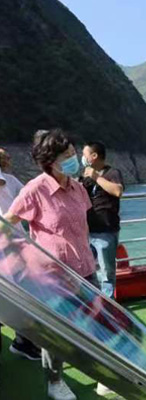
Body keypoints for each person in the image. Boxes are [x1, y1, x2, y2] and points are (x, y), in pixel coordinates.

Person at [4, 129, 99, 400]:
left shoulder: (78, 188)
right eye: (66, 155)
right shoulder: (35, 190)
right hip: (53, 275)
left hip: (86, 270)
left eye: (73, 153)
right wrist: (16, 256)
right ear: (50, 160)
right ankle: (55, 382)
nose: (73, 159)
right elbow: (9, 221)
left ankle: (102, 374)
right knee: (56, 334)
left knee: (94, 327)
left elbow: (82, 225)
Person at [0, 148, 43, 361]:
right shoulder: (6, 180)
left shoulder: (11, 181)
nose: (9, 160)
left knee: (22, 295)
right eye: (5, 157)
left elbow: (29, 198)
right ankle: (23, 341)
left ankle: (23, 341)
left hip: (16, 245)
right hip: (6, 247)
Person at [80, 141, 124, 299]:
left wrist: (96, 177)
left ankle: (108, 305)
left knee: (107, 273)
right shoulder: (85, 177)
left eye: (84, 155)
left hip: (106, 231)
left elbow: (118, 191)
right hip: (87, 232)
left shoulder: (112, 173)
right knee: (87, 270)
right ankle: (93, 302)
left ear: (94, 156)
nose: (82, 158)